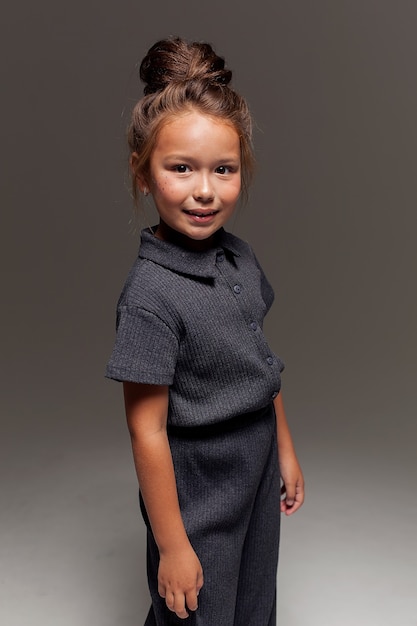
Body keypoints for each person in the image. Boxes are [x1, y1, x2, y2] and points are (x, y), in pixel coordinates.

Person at [106, 36, 304, 626]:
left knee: (253, 599)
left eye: (224, 170)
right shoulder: (149, 297)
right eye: (181, 168)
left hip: (258, 457)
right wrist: (171, 545)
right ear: (144, 175)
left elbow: (263, 362)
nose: (204, 190)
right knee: (196, 605)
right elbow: (147, 431)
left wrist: (285, 449)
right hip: (198, 480)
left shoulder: (239, 259)